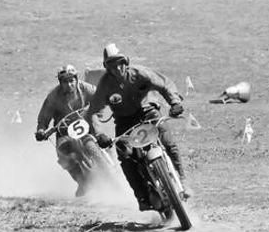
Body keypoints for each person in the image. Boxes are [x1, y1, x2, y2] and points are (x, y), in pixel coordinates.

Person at [86, 44, 188, 212]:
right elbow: (93, 112)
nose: (117, 68)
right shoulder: (104, 85)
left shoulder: (140, 73)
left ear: (126, 62)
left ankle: (183, 181)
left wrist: (175, 102)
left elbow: (164, 84)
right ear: (107, 67)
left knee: (169, 143)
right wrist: (99, 135)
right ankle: (141, 197)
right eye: (111, 64)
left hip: (149, 112)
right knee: (125, 157)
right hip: (124, 121)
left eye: (120, 63)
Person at [34, 65, 98, 196]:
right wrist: (41, 130)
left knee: (101, 136)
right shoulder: (53, 96)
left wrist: (110, 102)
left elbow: (100, 96)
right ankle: (82, 181)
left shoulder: (86, 88)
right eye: (65, 82)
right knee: (62, 152)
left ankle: (111, 160)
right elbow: (44, 117)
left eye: (71, 80)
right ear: (60, 83)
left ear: (76, 79)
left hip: (87, 122)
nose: (69, 85)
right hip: (64, 129)